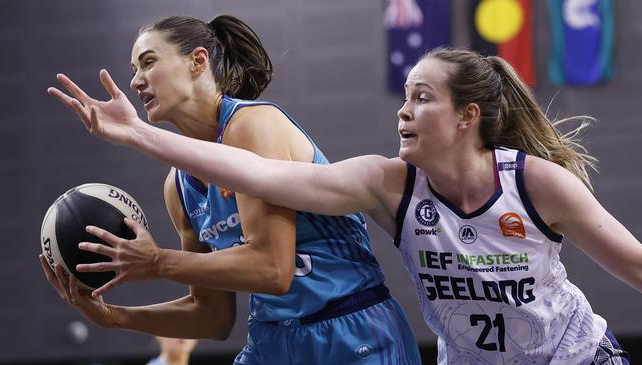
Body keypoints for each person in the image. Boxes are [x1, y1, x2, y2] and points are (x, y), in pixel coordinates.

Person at [56, 46, 642, 364]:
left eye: (422, 98)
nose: (403, 110)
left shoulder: (536, 183)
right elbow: (254, 171)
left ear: (468, 117)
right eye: (403, 97)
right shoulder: (386, 183)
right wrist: (135, 135)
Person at [42, 14, 423, 365]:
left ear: (197, 61)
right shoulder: (178, 186)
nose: (135, 80)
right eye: (134, 69)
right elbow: (212, 316)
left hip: (351, 328)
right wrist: (113, 318)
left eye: (148, 62)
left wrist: (157, 262)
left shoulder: (252, 124)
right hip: (273, 340)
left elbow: (274, 269)